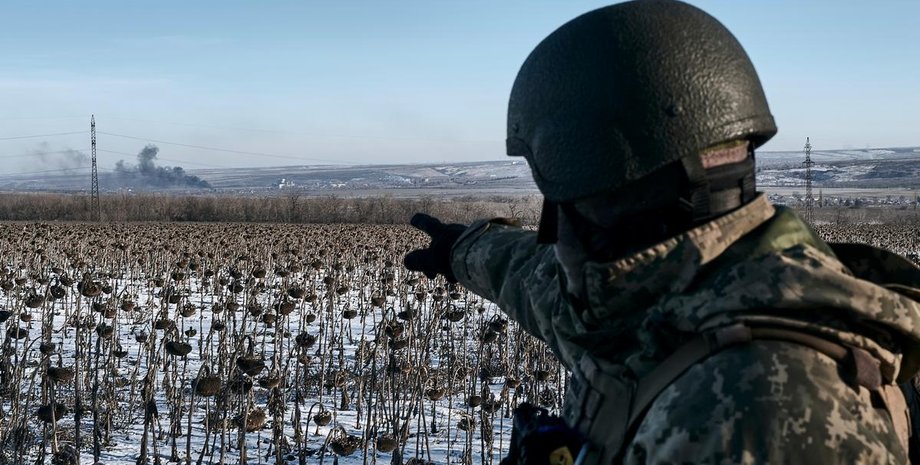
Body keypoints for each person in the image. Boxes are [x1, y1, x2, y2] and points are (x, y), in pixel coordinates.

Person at [405, 0, 920, 464]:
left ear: (600, 181)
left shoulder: (762, 410)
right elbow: (543, 287)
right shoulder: (666, 297)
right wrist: (464, 250)